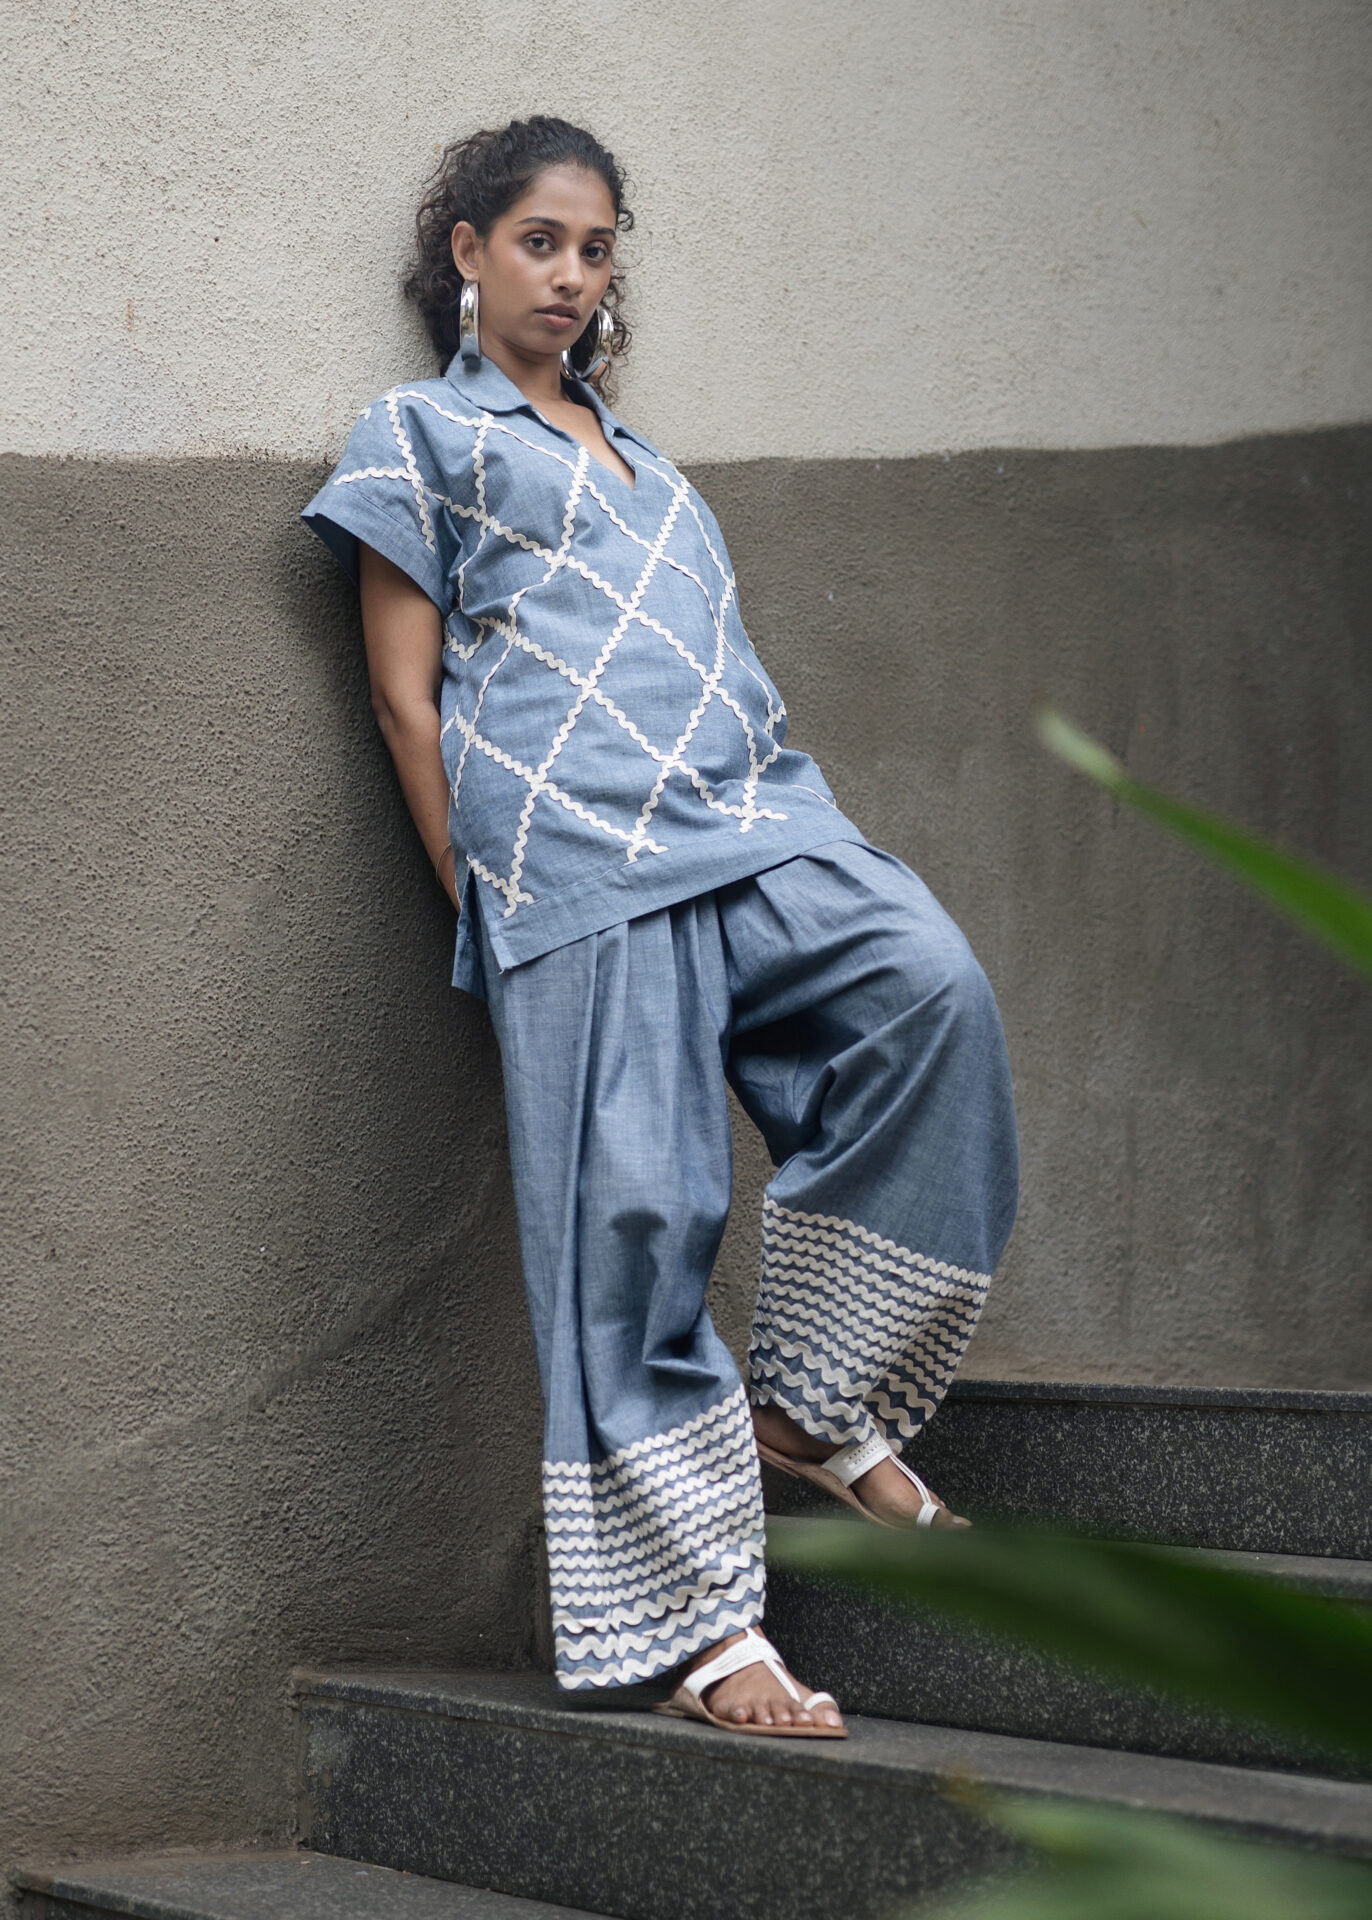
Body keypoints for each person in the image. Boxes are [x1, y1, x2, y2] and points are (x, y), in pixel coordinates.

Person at [303, 116, 1018, 1739]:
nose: (571, 274)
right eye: (539, 241)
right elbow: (406, 704)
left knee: (931, 994)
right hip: (569, 864)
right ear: (469, 252)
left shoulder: (657, 469)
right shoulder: (419, 435)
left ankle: (815, 1409)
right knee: (636, 1213)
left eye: (597, 247)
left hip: (754, 823)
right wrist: (484, 894)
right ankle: (706, 1625)